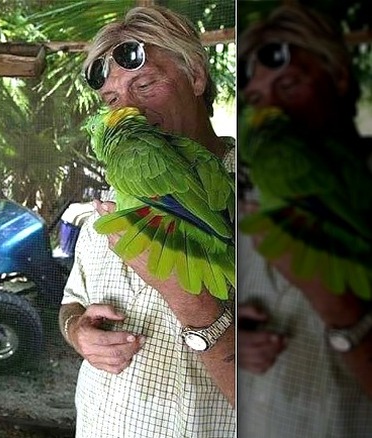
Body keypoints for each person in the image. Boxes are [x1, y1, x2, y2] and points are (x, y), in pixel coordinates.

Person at [59, 6, 235, 437]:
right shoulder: (111, 200)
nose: (130, 111)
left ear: (195, 75)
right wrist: (77, 331)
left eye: (146, 84)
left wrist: (190, 301)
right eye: (113, 100)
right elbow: (71, 302)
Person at [237, 4, 372, 437]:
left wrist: (339, 306)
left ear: (338, 78)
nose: (272, 110)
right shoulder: (239, 201)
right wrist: (233, 340)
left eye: (290, 84)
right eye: (255, 100)